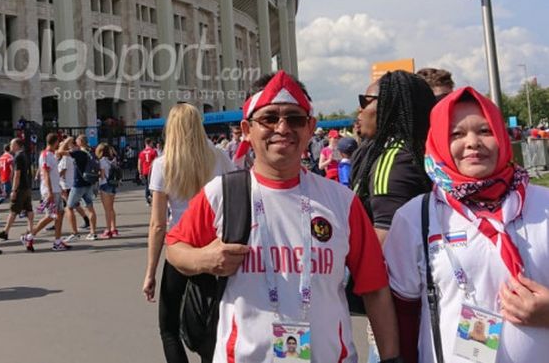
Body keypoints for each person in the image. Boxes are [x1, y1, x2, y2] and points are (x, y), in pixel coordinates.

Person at [166, 71, 401, 363]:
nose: (282, 127)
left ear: (310, 127)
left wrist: (391, 358)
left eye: (295, 118)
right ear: (247, 129)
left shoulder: (342, 201)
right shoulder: (222, 194)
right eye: (268, 118)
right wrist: (202, 259)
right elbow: (175, 248)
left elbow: (375, 289)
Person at [385, 87, 549, 363]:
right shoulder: (415, 218)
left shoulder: (543, 204)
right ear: (437, 141)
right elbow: (404, 315)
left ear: (501, 134)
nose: (472, 142)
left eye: (485, 131)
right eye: (456, 134)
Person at [142, 103, 235, 363]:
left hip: (180, 249)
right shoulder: (219, 157)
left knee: (168, 327)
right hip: (215, 246)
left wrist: (150, 271)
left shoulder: (163, 164)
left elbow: (158, 224)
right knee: (214, 324)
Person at [351, 70, 436, 244]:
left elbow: (385, 245)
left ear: (389, 106)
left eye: (365, 101)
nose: (360, 109)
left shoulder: (393, 163)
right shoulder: (412, 150)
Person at [20, 133, 70, 252]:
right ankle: (29, 236)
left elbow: (53, 173)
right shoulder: (46, 155)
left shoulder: (51, 154)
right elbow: (46, 174)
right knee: (51, 215)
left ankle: (57, 241)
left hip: (55, 189)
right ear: (56, 142)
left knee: (59, 214)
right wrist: (50, 191)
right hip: (50, 190)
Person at [58, 135, 97, 241]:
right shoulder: (90, 152)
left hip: (78, 184)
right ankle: (93, 233)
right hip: (88, 183)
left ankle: (75, 233)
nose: (75, 141)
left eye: (77, 140)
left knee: (69, 207)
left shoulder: (79, 153)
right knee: (90, 208)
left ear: (80, 142)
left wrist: (66, 141)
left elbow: (60, 152)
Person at [0, 138, 34, 242]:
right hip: (26, 186)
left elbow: (17, 174)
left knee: (13, 210)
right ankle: (30, 230)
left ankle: (5, 232)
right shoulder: (25, 155)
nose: (10, 146)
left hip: (20, 187)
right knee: (29, 209)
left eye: (12, 144)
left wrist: (14, 190)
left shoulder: (17, 157)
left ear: (17, 145)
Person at [97, 143, 118, 239]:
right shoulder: (113, 160)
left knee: (107, 210)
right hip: (113, 184)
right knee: (111, 208)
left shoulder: (101, 161)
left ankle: (108, 229)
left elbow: (102, 175)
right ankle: (114, 228)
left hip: (105, 184)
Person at [138, 138, 158, 206]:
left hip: (145, 171)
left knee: (147, 185)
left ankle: (148, 200)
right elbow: (156, 161)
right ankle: (153, 198)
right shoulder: (153, 151)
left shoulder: (141, 152)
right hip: (152, 170)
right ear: (150, 143)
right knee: (154, 185)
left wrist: (140, 172)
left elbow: (139, 163)